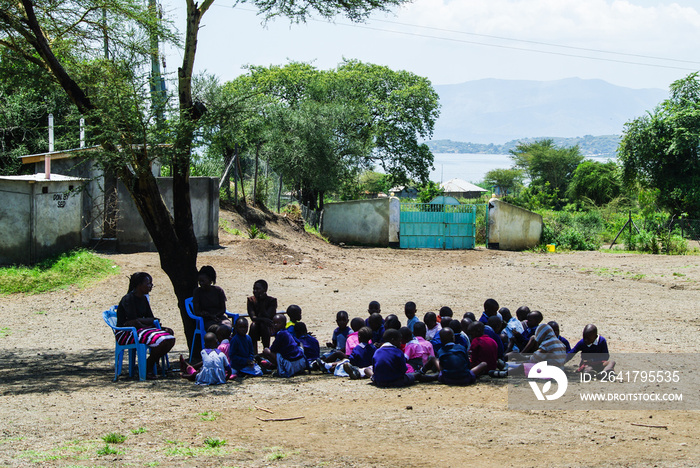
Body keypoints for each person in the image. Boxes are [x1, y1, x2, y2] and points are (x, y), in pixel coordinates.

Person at [116, 272, 175, 379]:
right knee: (161, 339)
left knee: (169, 335)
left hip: (141, 329)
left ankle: (152, 363)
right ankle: (148, 366)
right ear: (139, 285)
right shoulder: (128, 299)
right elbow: (133, 321)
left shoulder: (143, 298)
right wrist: (148, 322)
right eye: (148, 284)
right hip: (127, 332)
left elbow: (151, 317)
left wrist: (148, 321)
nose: (150, 286)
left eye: (151, 284)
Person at [262, 314, 307, 378]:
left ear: (284, 324)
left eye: (278, 323)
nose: (275, 325)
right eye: (274, 323)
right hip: (300, 361)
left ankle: (281, 368)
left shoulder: (281, 334)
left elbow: (273, 349)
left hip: (290, 362)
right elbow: (298, 342)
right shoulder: (287, 332)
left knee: (266, 351)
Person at [192, 266, 229, 330]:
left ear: (210, 279)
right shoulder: (197, 292)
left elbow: (223, 309)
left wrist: (216, 316)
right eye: (199, 281)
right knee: (217, 329)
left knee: (227, 326)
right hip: (206, 320)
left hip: (219, 317)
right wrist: (208, 315)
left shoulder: (218, 291)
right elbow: (197, 311)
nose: (201, 283)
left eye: (203, 281)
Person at [247, 279, 278, 354]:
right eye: (254, 289)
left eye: (258, 289)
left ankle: (266, 350)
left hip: (268, 326)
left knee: (263, 325)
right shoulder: (251, 300)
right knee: (253, 325)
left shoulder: (272, 301)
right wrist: (264, 319)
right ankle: (253, 352)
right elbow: (253, 317)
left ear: (265, 290)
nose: (255, 291)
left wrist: (262, 302)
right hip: (257, 326)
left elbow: (269, 315)